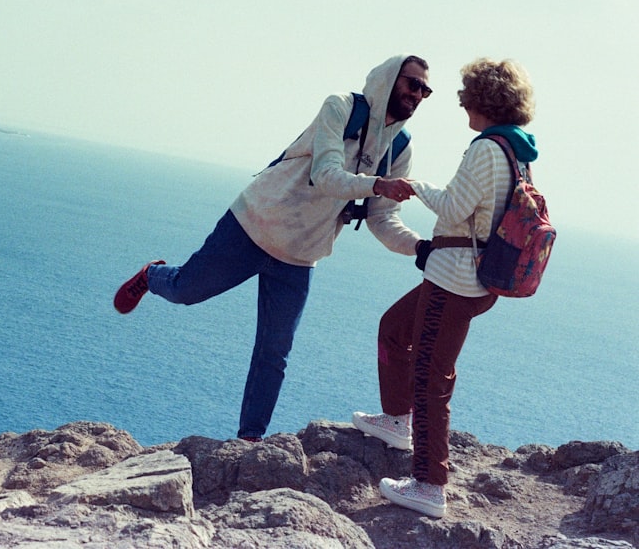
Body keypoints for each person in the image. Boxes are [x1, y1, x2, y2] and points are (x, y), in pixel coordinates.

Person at [114, 55, 431, 441]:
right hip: (255, 223)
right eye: (412, 83)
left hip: (300, 254)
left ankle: (250, 439)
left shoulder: (398, 149)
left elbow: (383, 220)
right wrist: (377, 184)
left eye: (425, 90)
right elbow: (325, 174)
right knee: (184, 290)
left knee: (274, 354)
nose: (418, 94)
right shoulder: (341, 107)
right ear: (389, 78)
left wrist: (420, 248)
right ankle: (151, 275)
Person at [351, 57, 538, 518]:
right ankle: (396, 420)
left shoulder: (486, 149)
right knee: (394, 329)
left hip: (453, 279)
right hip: (471, 278)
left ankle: (429, 485)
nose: (461, 105)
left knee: (432, 377)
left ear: (483, 100)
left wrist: (414, 187)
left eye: (466, 97)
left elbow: (454, 208)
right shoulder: (517, 153)